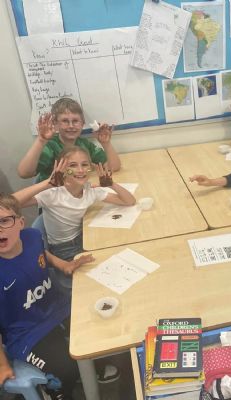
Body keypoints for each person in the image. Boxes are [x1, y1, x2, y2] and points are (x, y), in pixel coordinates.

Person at [0, 193, 94, 399]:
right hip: (27, 334)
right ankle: (57, 391)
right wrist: (2, 364)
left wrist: (64, 265)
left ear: (20, 223)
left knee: (96, 333)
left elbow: (42, 254)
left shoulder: (32, 236)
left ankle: (89, 373)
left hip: (58, 308)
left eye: (4, 221)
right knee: (66, 369)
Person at [13, 146, 136, 293]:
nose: (81, 170)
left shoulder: (90, 190)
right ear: (62, 169)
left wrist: (112, 184)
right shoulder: (52, 193)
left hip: (84, 239)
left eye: (84, 165)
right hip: (63, 250)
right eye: (73, 165)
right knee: (93, 286)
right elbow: (9, 204)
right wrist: (47, 183)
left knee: (118, 265)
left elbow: (129, 201)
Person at [17, 97, 121, 182]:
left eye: (75, 121)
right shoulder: (51, 146)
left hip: (76, 190)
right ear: (55, 124)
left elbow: (113, 167)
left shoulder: (84, 145)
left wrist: (106, 144)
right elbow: (24, 173)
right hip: (52, 194)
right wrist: (41, 140)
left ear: (82, 124)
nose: (71, 126)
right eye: (65, 121)